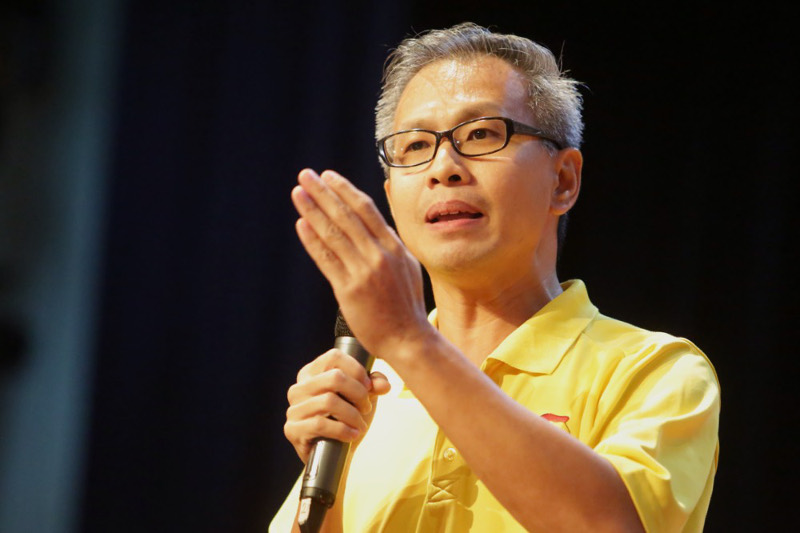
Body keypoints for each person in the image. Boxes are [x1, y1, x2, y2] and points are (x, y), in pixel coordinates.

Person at [270, 23, 720, 532]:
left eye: (481, 133)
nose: (443, 167)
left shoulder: (654, 371)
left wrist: (410, 342)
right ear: (391, 194)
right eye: (415, 145)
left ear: (563, 180)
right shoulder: (367, 392)